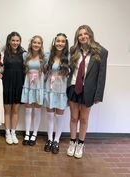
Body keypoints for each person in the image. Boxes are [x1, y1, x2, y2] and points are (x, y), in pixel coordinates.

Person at [66, 25, 108, 158]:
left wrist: (98, 95)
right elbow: (71, 70)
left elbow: (102, 75)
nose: (83, 36)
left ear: (90, 35)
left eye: (85, 34)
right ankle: (72, 142)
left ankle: (81, 144)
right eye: (80, 35)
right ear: (77, 38)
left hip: (88, 90)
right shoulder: (74, 51)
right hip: (74, 87)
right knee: (73, 117)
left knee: (84, 118)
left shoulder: (101, 52)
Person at [43, 33, 69, 154]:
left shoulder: (69, 57)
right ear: (54, 42)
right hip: (50, 90)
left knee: (59, 117)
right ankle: (49, 139)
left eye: (62, 41)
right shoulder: (48, 56)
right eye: (58, 41)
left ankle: (57, 140)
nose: (60, 43)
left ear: (65, 43)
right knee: (50, 117)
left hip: (61, 91)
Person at [21, 35, 47, 146]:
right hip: (28, 85)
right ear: (31, 43)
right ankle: (27, 133)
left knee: (37, 111)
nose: (36, 45)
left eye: (38, 43)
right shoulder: (25, 55)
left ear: (41, 45)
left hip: (39, 85)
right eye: (34, 42)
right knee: (28, 110)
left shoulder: (44, 57)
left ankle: (34, 133)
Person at [2, 32, 25, 145]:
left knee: (15, 110)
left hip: (18, 84)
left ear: (20, 41)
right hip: (7, 84)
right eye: (13, 40)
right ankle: (7, 133)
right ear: (9, 41)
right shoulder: (4, 53)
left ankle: (13, 132)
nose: (15, 42)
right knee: (7, 110)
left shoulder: (24, 54)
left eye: (17, 40)